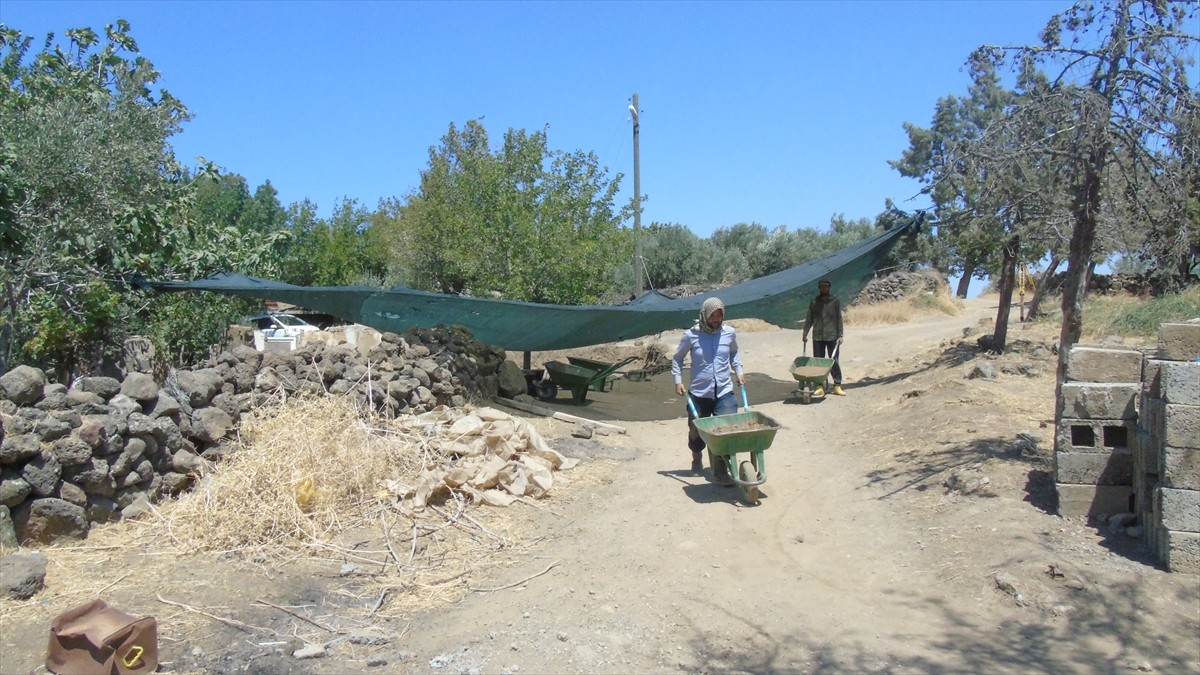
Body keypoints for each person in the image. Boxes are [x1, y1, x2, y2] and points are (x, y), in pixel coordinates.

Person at [672, 296, 745, 485]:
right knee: (696, 431)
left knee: (724, 430)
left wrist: (739, 371)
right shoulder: (691, 335)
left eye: (719, 316)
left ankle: (721, 471)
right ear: (705, 315)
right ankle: (697, 457)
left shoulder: (729, 333)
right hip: (699, 393)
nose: (716, 320)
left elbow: (734, 353)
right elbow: (677, 358)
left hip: (724, 391)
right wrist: (678, 380)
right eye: (713, 316)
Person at [802, 278, 845, 396]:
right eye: (821, 287)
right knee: (818, 362)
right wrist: (805, 333)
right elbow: (809, 319)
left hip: (832, 336)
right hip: (818, 337)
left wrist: (840, 335)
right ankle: (819, 386)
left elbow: (839, 319)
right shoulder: (814, 303)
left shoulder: (835, 302)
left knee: (833, 361)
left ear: (829, 288)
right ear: (819, 288)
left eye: (825, 286)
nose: (823, 288)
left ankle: (837, 385)